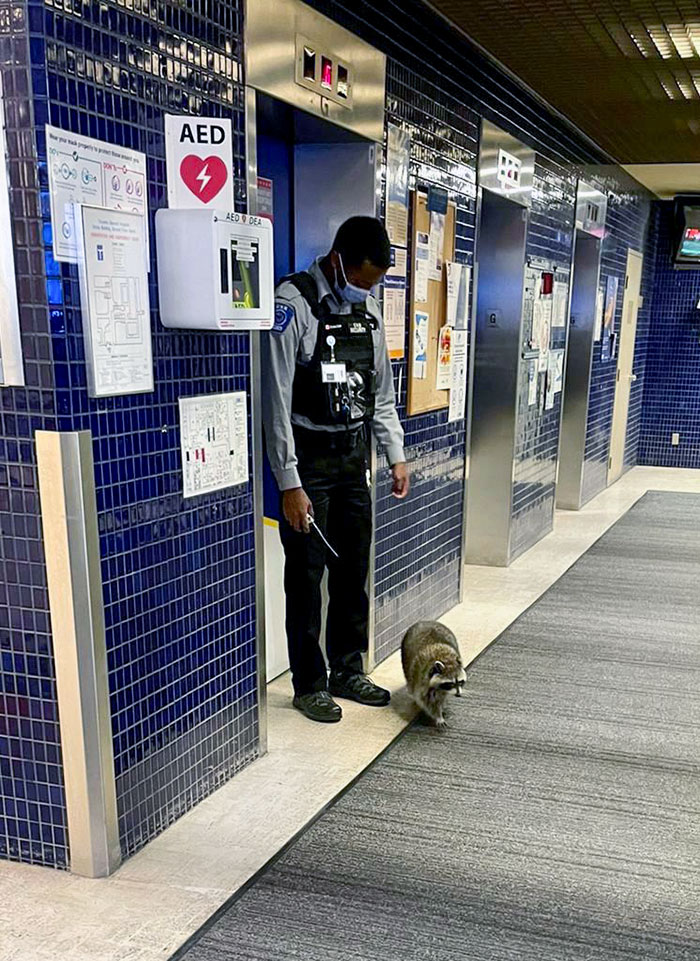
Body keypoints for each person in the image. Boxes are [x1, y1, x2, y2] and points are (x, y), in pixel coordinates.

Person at [262, 216, 409, 723]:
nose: (365, 290)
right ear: (339, 258)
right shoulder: (293, 304)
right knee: (305, 575)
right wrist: (290, 482)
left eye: (373, 283)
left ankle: (349, 669)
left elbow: (381, 393)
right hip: (309, 461)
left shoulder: (367, 310)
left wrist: (396, 453)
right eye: (362, 278)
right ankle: (309, 683)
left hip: (353, 458)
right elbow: (275, 402)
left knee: (353, 570)